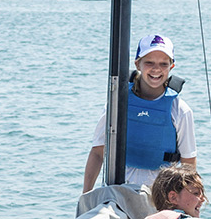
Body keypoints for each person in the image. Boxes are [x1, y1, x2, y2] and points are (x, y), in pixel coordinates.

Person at [80, 33, 197, 194]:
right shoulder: (118, 102)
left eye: (163, 64)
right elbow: (98, 152)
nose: (156, 69)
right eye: (149, 62)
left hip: (160, 194)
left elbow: (188, 163)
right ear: (137, 64)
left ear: (171, 67)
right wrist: (86, 195)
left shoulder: (180, 110)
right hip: (118, 189)